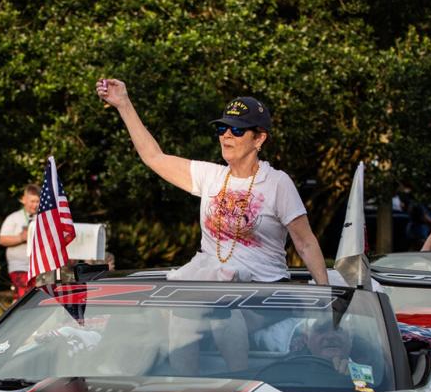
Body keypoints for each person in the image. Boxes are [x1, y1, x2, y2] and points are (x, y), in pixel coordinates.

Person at [97, 79, 329, 283]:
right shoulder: (210, 176)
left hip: (262, 295)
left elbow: (306, 244)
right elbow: (154, 157)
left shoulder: (277, 183)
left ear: (259, 138)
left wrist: (328, 301)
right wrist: (124, 104)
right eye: (222, 128)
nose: (226, 135)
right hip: (213, 291)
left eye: (237, 130)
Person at [0, 184, 41, 301]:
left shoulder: (42, 219)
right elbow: (2, 240)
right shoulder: (13, 218)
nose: (35, 205)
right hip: (19, 266)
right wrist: (21, 238)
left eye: (37, 201)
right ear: (23, 200)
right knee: (25, 298)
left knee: (35, 299)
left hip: (38, 268)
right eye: (32, 201)